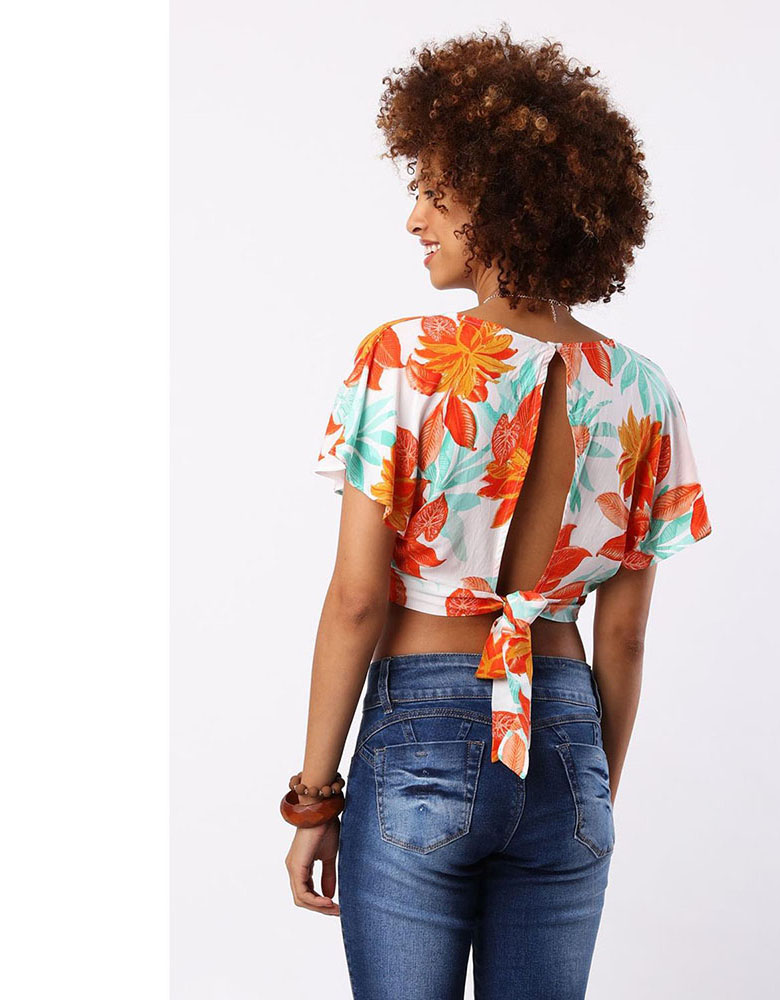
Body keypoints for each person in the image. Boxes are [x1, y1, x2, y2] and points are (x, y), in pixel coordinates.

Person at [280, 25, 712, 1000]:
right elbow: (624, 637)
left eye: (436, 194)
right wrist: (586, 795)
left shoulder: (405, 358)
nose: (413, 219)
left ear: (507, 202)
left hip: (422, 727)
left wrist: (312, 797)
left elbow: (357, 599)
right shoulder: (644, 392)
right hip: (567, 737)